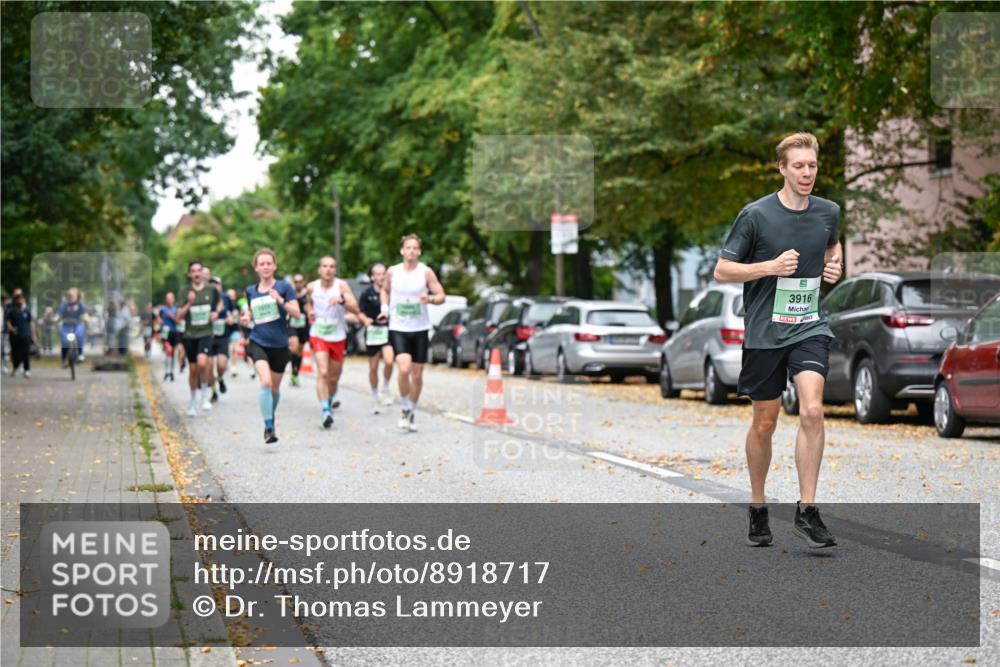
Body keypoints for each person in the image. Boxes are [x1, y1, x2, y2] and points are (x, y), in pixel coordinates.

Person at [713, 132, 843, 549]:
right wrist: (768, 266)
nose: (807, 173)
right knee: (765, 422)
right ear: (782, 169)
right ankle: (757, 505)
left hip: (809, 325)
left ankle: (807, 510)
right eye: (799, 166)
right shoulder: (755, 215)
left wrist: (834, 266)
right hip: (765, 331)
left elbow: (832, 246)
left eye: (812, 166)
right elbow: (722, 271)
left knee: (812, 409)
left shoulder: (828, 212)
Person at [380, 234, 446, 432]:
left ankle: (411, 409)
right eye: (408, 247)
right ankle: (405, 405)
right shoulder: (393, 272)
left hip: (420, 328)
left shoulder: (426, 272)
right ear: (402, 250)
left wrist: (431, 299)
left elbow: (441, 295)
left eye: (415, 248)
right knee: (405, 368)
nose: (411, 251)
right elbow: (384, 290)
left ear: (419, 251)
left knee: (417, 375)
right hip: (398, 327)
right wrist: (384, 307)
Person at [241, 248, 301, 443]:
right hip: (258, 341)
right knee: (265, 382)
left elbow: (297, 313)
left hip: (280, 345)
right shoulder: (251, 290)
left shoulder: (284, 287)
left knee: (274, 389)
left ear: (274, 266)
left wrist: (281, 300)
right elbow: (250, 312)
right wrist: (246, 317)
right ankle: (268, 427)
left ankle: (270, 418)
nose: (265, 267)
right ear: (256, 267)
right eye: (262, 264)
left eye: (269, 263)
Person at [304, 256, 360, 428]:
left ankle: (329, 398)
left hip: (338, 335)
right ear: (319, 269)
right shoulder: (311, 287)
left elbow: (355, 308)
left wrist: (342, 301)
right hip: (319, 333)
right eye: (325, 266)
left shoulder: (341, 286)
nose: (328, 269)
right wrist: (309, 312)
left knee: (334, 377)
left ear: (335, 270)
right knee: (323, 372)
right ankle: (325, 410)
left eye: (332, 266)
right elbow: (307, 304)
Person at [175, 261, 221, 416]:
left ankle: (205, 396)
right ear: (189, 274)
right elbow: (178, 317)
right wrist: (189, 302)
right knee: (193, 369)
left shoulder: (211, 289)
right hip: (189, 335)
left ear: (202, 273)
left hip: (206, 333)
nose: (196, 273)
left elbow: (219, 303)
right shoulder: (184, 291)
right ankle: (193, 401)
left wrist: (216, 313)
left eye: (198, 270)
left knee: (203, 363)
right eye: (193, 271)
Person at [358, 262, 395, 413]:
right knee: (373, 367)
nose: (380, 277)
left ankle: (385, 386)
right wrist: (365, 320)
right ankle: (375, 394)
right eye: (377, 274)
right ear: (372, 277)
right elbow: (360, 312)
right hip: (373, 332)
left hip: (388, 331)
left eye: (383, 274)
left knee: (389, 360)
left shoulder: (392, 292)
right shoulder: (367, 294)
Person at [204, 273, 233, 402]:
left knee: (221, 364)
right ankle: (214, 391)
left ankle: (220, 378)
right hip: (208, 336)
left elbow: (233, 312)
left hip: (223, 336)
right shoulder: (205, 298)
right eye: (212, 284)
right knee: (209, 366)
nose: (215, 286)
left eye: (217, 284)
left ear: (221, 286)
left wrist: (230, 318)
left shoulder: (226, 297)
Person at [5, 288, 36, 377]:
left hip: (26, 335)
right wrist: (11, 328)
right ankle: (16, 367)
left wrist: (33, 335)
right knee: (15, 353)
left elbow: (31, 322)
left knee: (26, 352)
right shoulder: (11, 310)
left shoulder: (27, 310)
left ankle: (27, 369)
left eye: (21, 298)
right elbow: (8, 321)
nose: (20, 300)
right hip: (15, 336)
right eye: (18, 299)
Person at [286, 273, 310, 387]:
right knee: (294, 346)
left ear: (303, 282)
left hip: (304, 325)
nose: (298, 284)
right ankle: (292, 368)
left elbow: (312, 306)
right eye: (296, 282)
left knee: (299, 351)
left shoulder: (308, 294)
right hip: (292, 324)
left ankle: (295, 373)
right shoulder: (290, 294)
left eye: (300, 281)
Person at [55, 288, 88, 366]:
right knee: (64, 341)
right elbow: (58, 314)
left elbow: (85, 314)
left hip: (77, 324)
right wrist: (55, 318)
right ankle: (64, 360)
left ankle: (80, 354)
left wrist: (86, 318)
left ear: (77, 296)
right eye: (69, 296)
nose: (71, 298)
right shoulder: (64, 305)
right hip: (66, 325)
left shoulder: (80, 305)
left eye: (72, 296)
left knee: (79, 335)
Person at [158, 292, 181, 381]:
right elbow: (159, 318)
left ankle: (171, 371)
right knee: (168, 351)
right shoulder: (163, 309)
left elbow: (178, 321)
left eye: (170, 298)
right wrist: (160, 321)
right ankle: (167, 371)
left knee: (172, 353)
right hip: (165, 333)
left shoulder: (176, 310)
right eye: (167, 298)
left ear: (173, 299)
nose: (169, 300)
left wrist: (172, 317)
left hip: (174, 332)